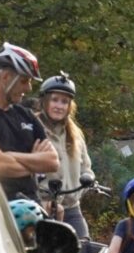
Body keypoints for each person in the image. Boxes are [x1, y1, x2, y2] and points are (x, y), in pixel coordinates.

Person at [0, 42, 58, 201]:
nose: (28, 88)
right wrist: (34, 164)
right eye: (24, 81)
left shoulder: (26, 115)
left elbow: (52, 161)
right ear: (6, 77)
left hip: (33, 205)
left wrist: (9, 156)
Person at [35, 73, 93, 239]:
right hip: (43, 207)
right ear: (44, 101)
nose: (59, 106)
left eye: (64, 102)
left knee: (84, 252)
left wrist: (87, 178)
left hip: (72, 208)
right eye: (55, 100)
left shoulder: (75, 133)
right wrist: (39, 200)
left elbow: (86, 167)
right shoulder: (33, 128)